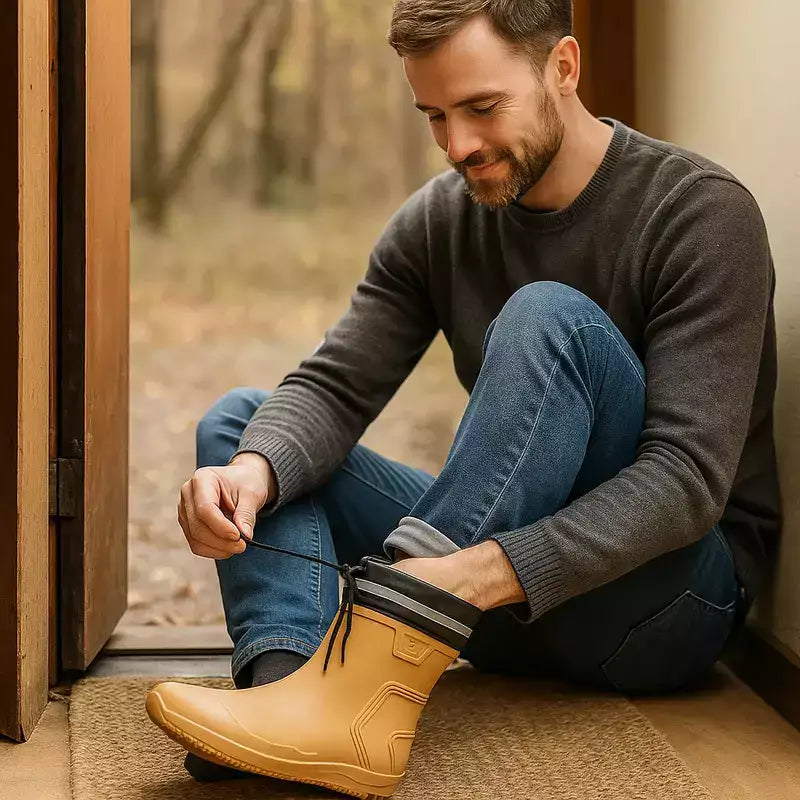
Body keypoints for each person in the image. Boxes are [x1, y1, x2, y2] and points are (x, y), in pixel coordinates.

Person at [173, 0, 781, 785]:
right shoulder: (437, 221)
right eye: (433, 115)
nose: (457, 145)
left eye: (482, 108)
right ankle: (288, 704)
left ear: (563, 67)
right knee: (247, 430)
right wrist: (253, 474)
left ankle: (360, 678)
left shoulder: (698, 211)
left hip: (664, 605)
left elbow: (687, 484)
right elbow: (335, 386)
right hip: (475, 603)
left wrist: (467, 575)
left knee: (547, 316)